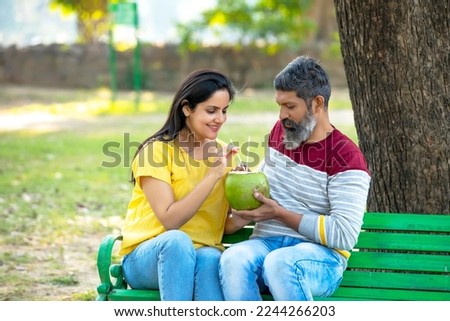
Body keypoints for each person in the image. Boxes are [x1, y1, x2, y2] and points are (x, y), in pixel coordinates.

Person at [219, 56, 371, 300]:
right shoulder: (283, 132)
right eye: (280, 105)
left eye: (290, 106)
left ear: (317, 103)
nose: (281, 115)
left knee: (281, 263)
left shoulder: (346, 156)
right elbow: (267, 184)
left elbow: (344, 234)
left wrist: (280, 213)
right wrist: (246, 181)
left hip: (320, 258)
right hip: (267, 244)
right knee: (233, 258)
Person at [118, 69, 239, 301]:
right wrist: (213, 175)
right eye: (211, 110)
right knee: (177, 242)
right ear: (186, 109)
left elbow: (220, 224)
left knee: (211, 257)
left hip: (199, 253)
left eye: (224, 111)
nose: (220, 119)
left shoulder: (224, 155)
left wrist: (242, 217)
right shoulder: (155, 152)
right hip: (148, 257)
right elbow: (170, 220)